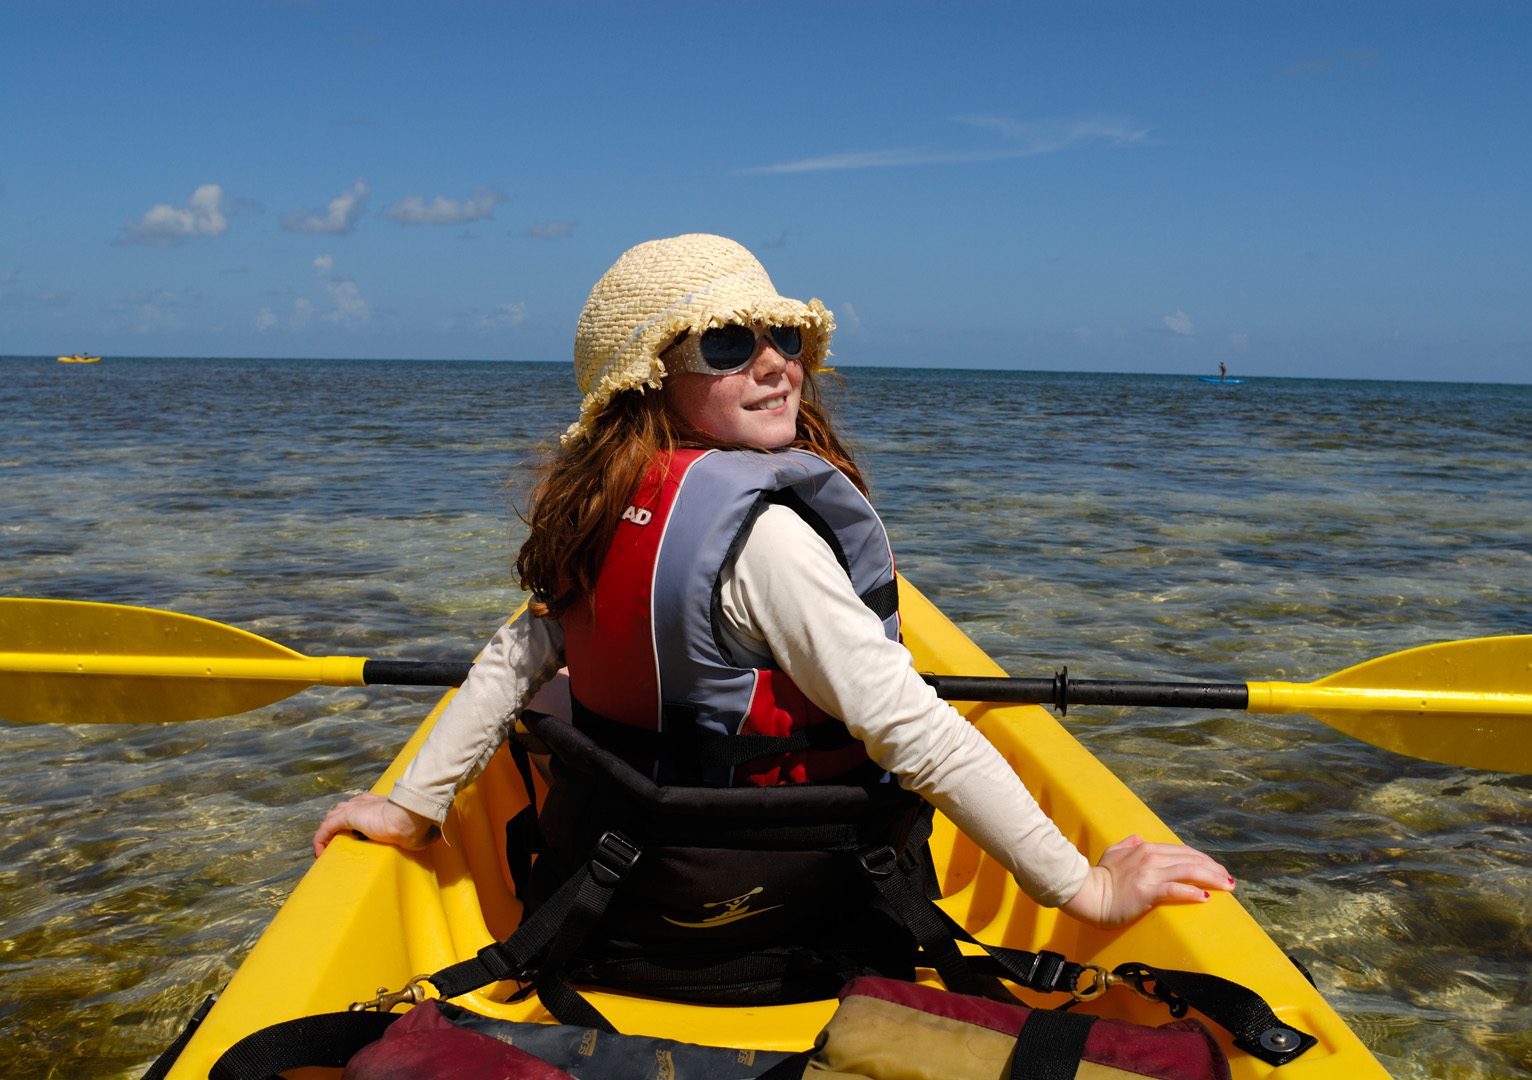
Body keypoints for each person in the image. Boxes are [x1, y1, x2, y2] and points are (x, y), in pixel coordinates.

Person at [314, 234, 1231, 948]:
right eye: (726, 343)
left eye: (783, 338)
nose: (774, 364)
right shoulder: (770, 541)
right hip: (769, 897)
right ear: (649, 383)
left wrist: (411, 805)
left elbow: (513, 657)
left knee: (551, 687)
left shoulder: (602, 508)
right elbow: (912, 730)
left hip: (621, 875)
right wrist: (1082, 888)